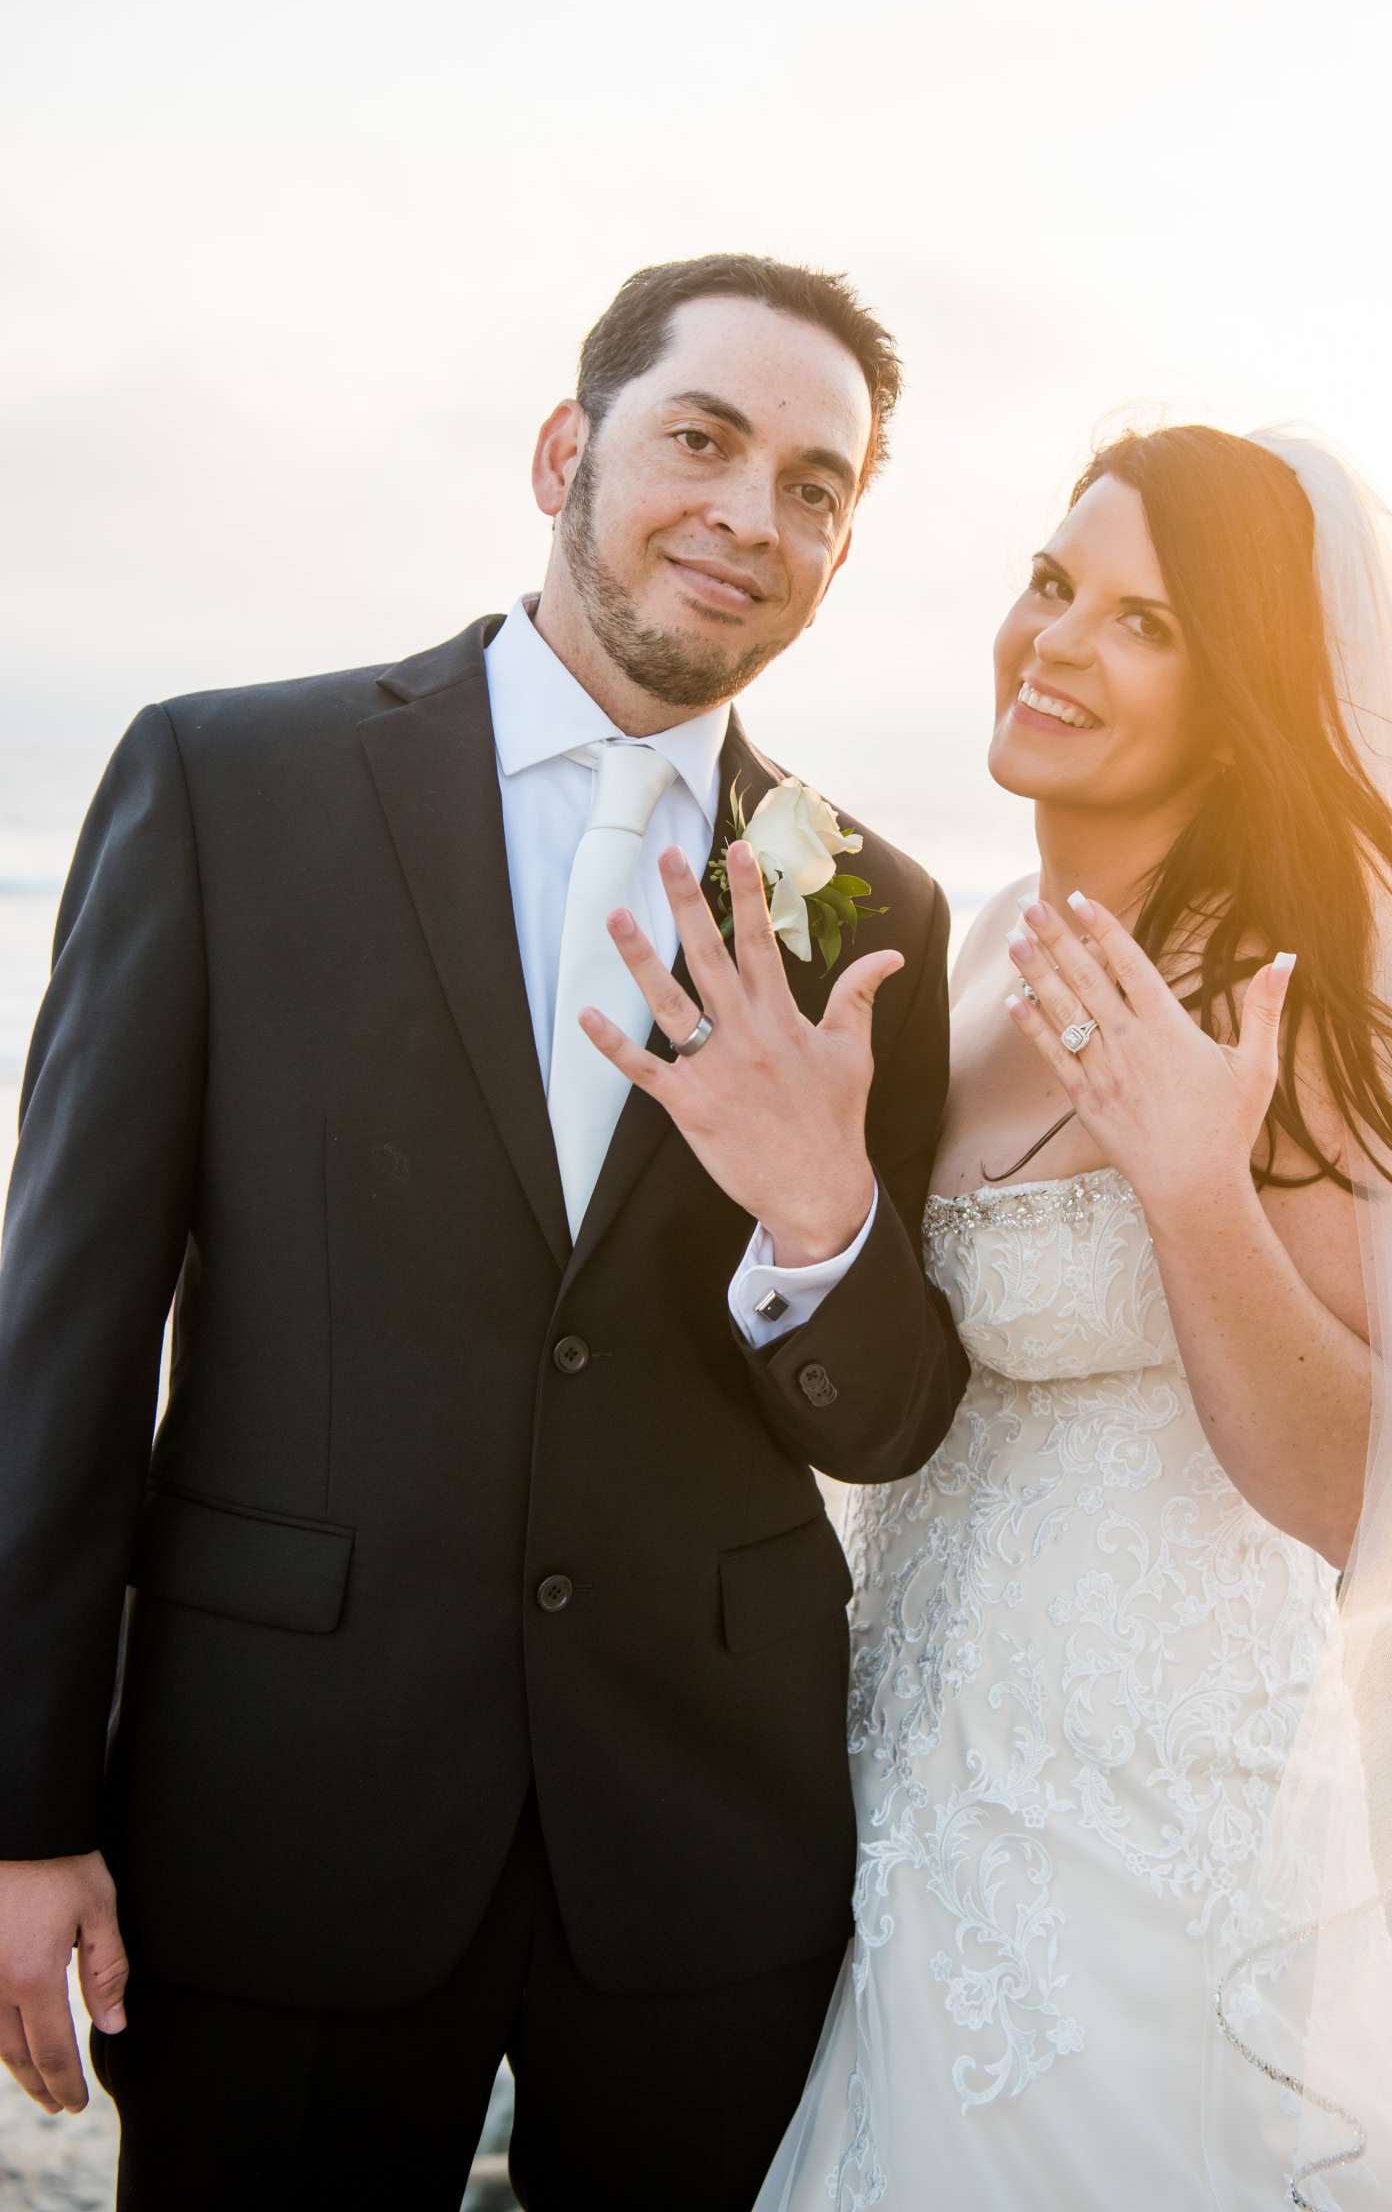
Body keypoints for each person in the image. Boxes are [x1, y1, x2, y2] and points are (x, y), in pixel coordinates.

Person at [0, 253, 969, 2209]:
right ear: (565, 451)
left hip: (704, 1845)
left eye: (811, 487)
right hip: (287, 1809)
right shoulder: (226, 784)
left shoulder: (872, 909)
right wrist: (23, 1811)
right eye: (699, 440)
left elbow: (878, 1421)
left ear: (839, 555)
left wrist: (819, 1215)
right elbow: (64, 1335)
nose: (745, 512)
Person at [756, 425, 1392, 2208]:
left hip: (1147, 1818)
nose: (1054, 642)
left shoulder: (1297, 994)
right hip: (918, 1769)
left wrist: (1196, 1185)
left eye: (1144, 623)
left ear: (1240, 702)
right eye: (1054, 585)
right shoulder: (978, 940)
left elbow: (1363, 1492)